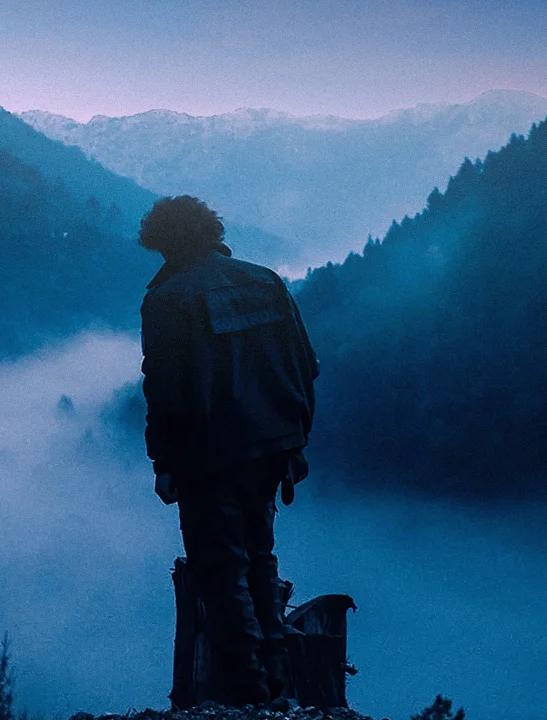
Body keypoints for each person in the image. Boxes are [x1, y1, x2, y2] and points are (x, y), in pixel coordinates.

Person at [139, 196, 318, 706]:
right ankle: (276, 684)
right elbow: (305, 365)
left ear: (165, 241)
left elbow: (165, 391)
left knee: (221, 571)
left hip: (209, 453)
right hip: (272, 446)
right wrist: (295, 439)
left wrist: (164, 462)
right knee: (260, 559)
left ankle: (248, 694)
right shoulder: (266, 281)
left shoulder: (167, 299)